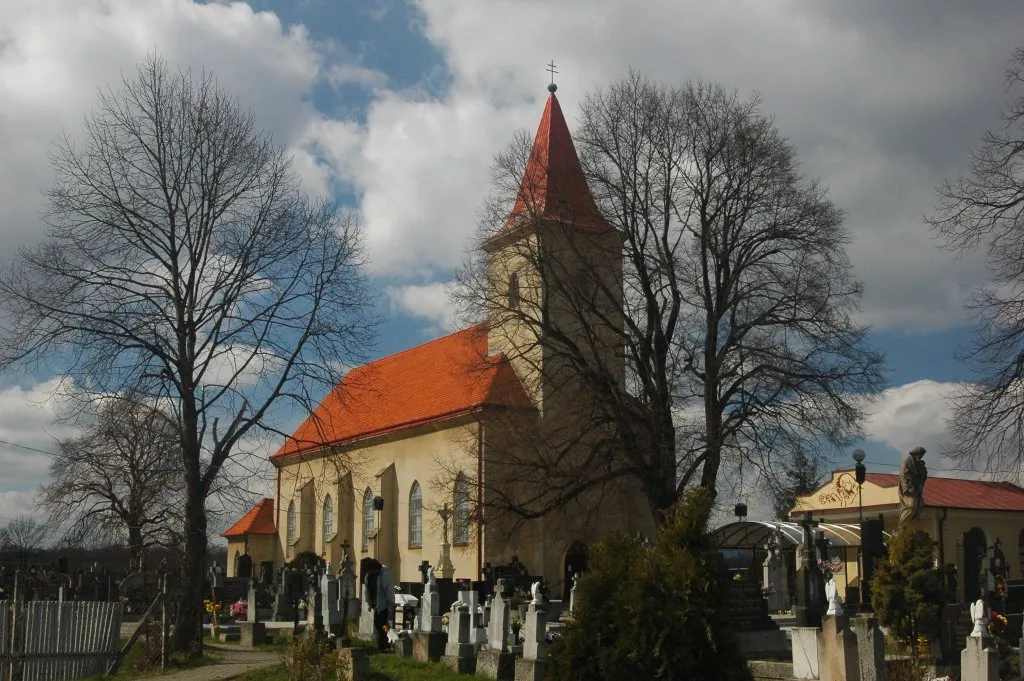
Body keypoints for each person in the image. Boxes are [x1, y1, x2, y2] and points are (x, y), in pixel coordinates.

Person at [898, 446, 927, 526]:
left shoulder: (920, 464)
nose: (921, 457)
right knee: (911, 506)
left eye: (922, 455)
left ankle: (913, 526)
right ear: (915, 453)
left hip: (917, 489)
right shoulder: (906, 461)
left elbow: (923, 476)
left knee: (920, 505)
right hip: (908, 488)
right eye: (920, 455)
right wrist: (905, 488)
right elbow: (902, 476)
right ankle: (903, 527)